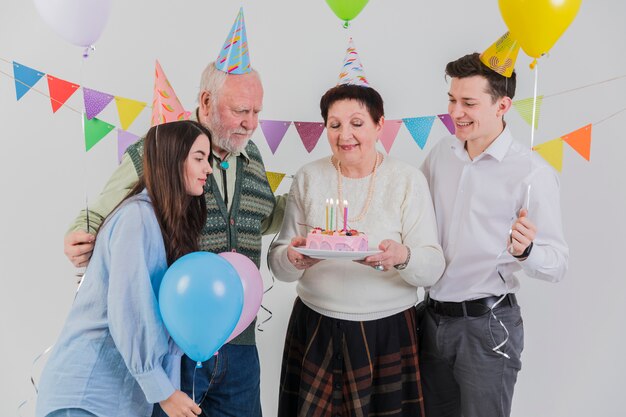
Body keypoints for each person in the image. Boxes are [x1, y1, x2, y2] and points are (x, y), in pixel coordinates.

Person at [63, 62, 285, 417]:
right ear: (207, 101)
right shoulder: (163, 148)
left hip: (240, 342)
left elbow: (263, 217)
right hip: (178, 337)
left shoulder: (253, 157)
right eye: (241, 111)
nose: (252, 123)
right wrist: (82, 229)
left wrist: (310, 203)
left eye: (257, 111)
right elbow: (111, 207)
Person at [268, 83, 445, 417]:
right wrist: (293, 258)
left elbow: (433, 266)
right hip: (315, 328)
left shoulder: (407, 180)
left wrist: (402, 256)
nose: (344, 134)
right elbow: (278, 261)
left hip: (388, 331)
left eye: (357, 123)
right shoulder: (308, 177)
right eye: (334, 125)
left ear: (380, 125)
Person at [418, 52, 569, 417]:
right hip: (431, 318)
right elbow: (415, 218)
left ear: (503, 105)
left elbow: (558, 264)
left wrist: (527, 251)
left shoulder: (531, 173)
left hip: (487, 327)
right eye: (452, 100)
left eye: (469, 103)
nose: (456, 112)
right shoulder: (441, 154)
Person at [37, 120, 212, 417]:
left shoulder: (161, 226)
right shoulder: (137, 218)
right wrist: (166, 392)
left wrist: (168, 390)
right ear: (171, 160)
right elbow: (129, 311)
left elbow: (161, 324)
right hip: (86, 396)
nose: (208, 169)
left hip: (120, 401)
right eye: (199, 158)